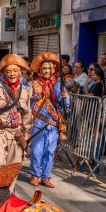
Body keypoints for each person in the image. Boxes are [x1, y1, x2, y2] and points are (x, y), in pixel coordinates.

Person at [28, 52, 70, 188]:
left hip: (53, 124)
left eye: (49, 69)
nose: (46, 71)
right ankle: (35, 175)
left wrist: (65, 96)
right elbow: (27, 103)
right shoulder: (33, 84)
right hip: (38, 121)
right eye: (44, 68)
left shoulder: (58, 84)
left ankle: (46, 176)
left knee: (50, 151)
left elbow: (65, 105)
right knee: (36, 150)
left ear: (53, 70)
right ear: (40, 70)